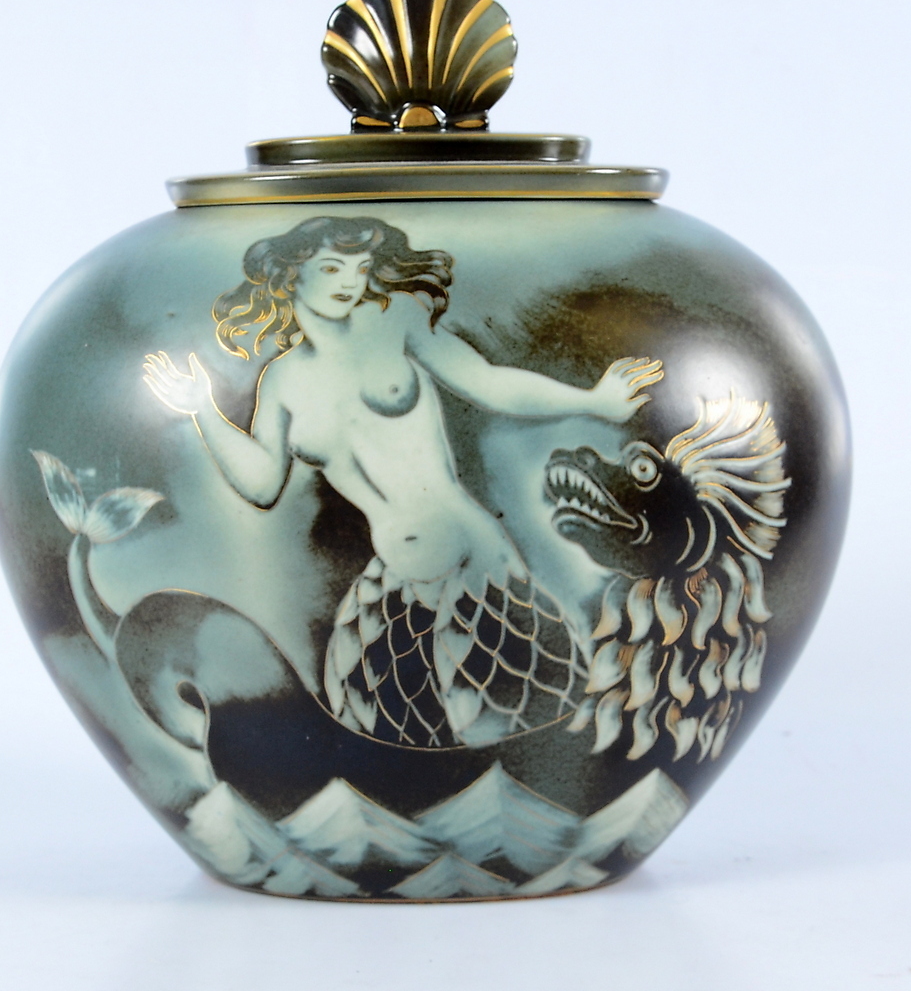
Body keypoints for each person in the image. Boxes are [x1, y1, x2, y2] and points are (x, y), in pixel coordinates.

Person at [144, 216, 662, 749]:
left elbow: (486, 383)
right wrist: (202, 410)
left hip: (471, 561)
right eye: (331, 268)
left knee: (505, 720)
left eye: (360, 267)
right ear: (291, 276)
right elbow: (260, 484)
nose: (350, 281)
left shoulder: (394, 321)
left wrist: (592, 401)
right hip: (392, 575)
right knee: (379, 728)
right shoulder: (282, 380)